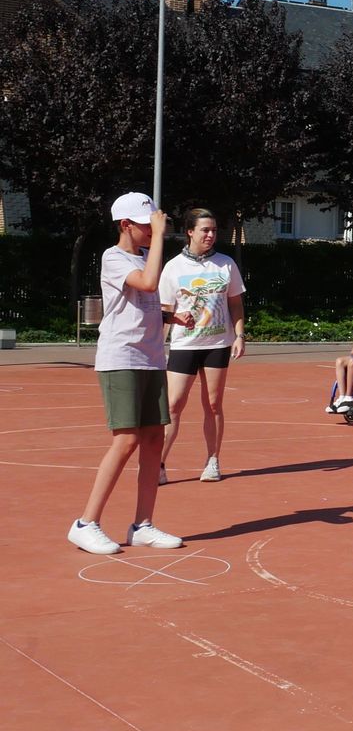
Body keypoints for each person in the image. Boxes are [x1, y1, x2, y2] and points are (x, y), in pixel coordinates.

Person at [68, 193, 193, 555]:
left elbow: (142, 303)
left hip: (152, 358)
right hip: (121, 357)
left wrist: (171, 317)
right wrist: (157, 238)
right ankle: (85, 523)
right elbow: (149, 283)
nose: (155, 231)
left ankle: (143, 525)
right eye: (146, 225)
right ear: (126, 225)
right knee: (126, 440)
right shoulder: (114, 257)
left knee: (154, 439)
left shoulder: (140, 257)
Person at [159, 208, 245, 483]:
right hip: (184, 345)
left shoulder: (226, 264)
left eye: (214, 230)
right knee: (173, 405)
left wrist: (240, 335)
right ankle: (158, 464)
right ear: (190, 232)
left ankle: (212, 461)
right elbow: (164, 310)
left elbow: (235, 303)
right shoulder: (173, 267)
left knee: (213, 404)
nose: (211, 235)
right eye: (205, 230)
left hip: (218, 343)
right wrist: (157, 344)